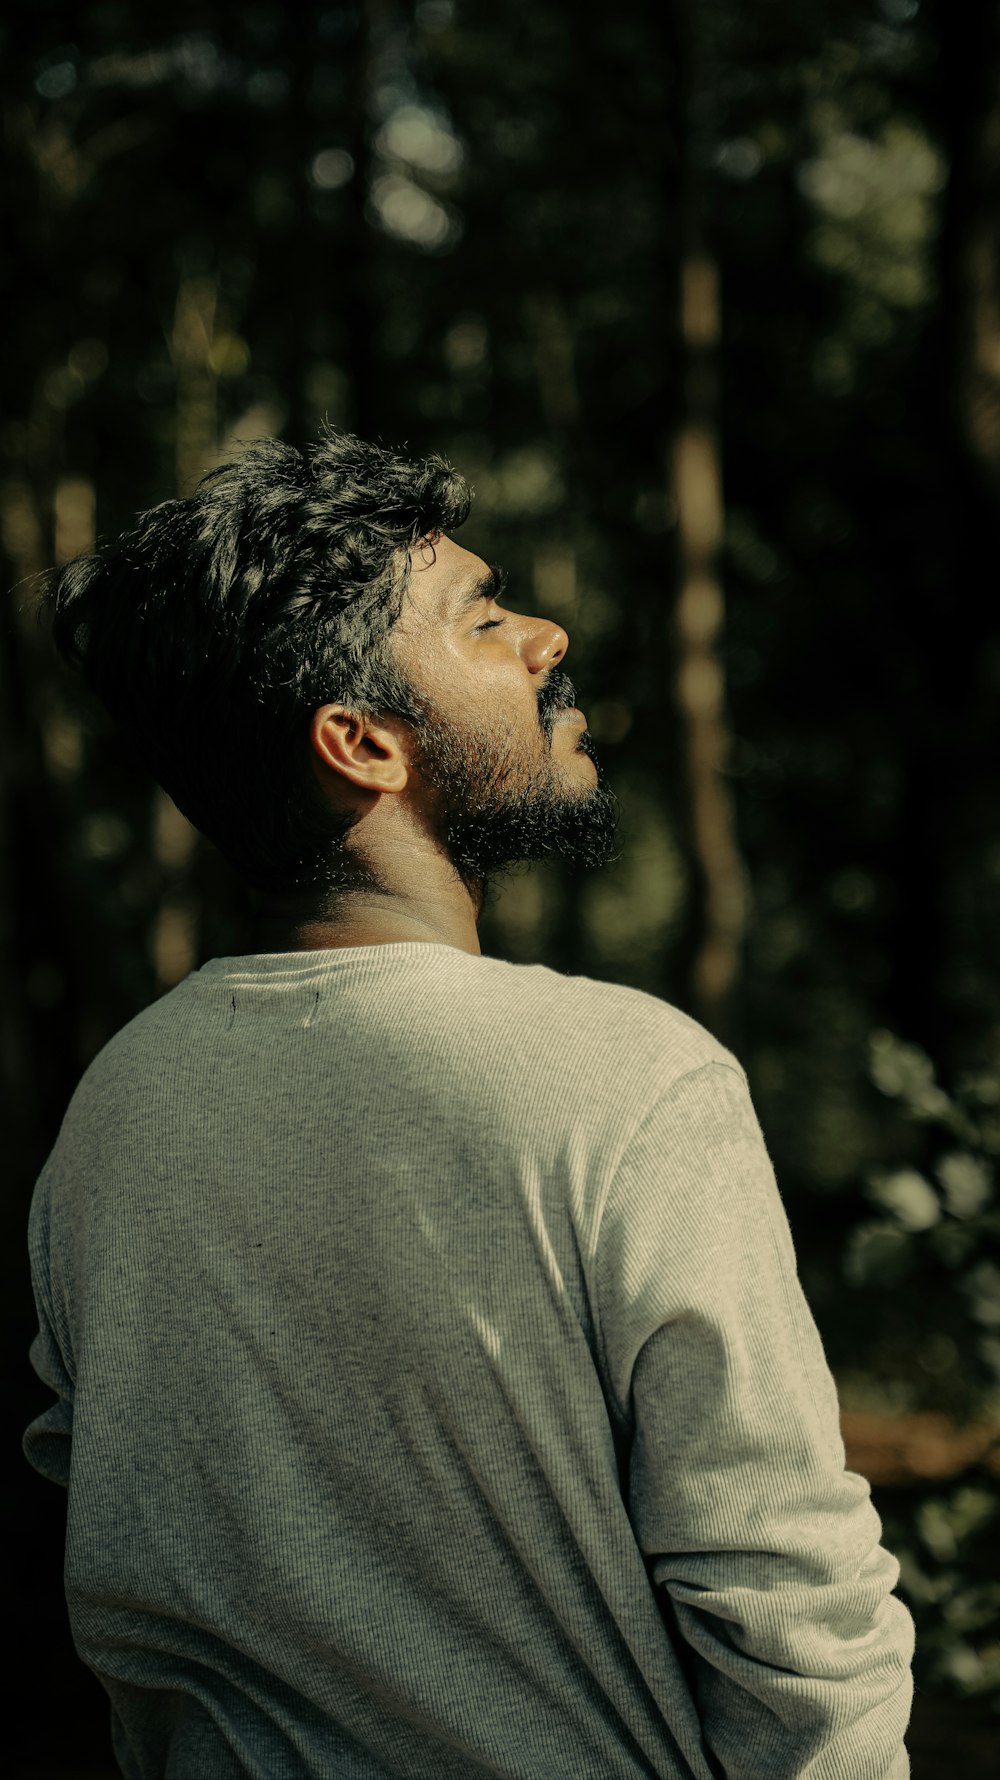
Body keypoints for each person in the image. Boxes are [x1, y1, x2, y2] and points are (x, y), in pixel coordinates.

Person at [24, 429, 913, 1780]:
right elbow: (789, 1596)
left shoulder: (113, 1115)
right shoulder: (628, 1080)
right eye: (485, 620)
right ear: (364, 743)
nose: (548, 636)